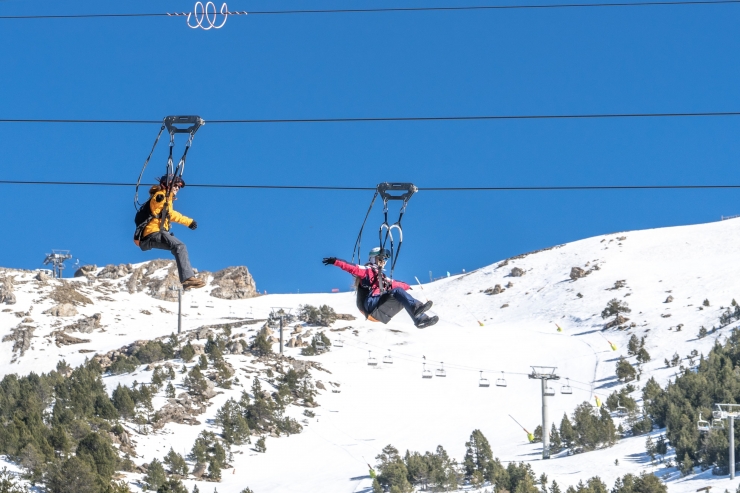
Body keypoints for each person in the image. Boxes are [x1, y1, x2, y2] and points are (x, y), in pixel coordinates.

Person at [323, 247, 438, 328]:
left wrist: (408, 287)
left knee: (401, 297)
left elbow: (395, 283)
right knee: (398, 292)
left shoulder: (382, 277)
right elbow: (352, 268)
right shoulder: (367, 270)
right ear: (373, 259)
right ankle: (416, 308)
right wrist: (335, 261)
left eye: (384, 260)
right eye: (381, 259)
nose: (383, 262)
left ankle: (420, 320)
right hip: (371, 305)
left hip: (379, 311)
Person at [134, 175, 205, 290]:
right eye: (175, 185)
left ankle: (187, 279)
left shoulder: (167, 198)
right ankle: (187, 279)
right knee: (179, 246)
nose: (177, 188)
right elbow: (166, 210)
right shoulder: (160, 196)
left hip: (153, 234)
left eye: (179, 187)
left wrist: (188, 222)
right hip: (154, 233)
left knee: (179, 246)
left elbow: (169, 213)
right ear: (168, 185)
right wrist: (188, 221)